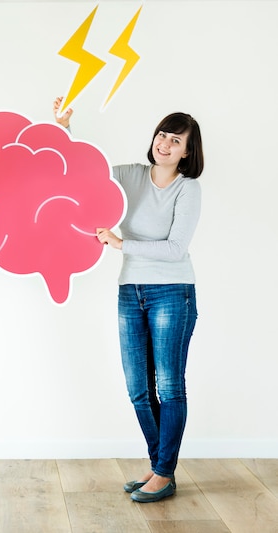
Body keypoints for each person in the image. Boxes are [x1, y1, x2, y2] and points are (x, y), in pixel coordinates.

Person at [53, 97, 203, 503]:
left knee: (169, 386)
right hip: (130, 291)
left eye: (175, 140)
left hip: (173, 292)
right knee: (139, 388)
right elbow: (85, 174)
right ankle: (160, 469)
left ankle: (162, 472)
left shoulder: (188, 189)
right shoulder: (130, 175)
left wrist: (121, 243)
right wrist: (65, 127)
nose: (165, 144)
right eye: (161, 135)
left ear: (188, 151)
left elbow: (175, 249)